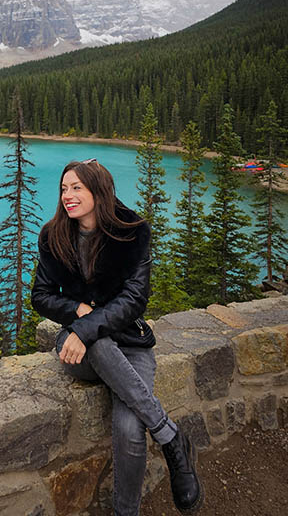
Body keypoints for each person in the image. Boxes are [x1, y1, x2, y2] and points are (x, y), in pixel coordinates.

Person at [31, 159, 203, 516]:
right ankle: (170, 436)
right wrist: (78, 313)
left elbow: (135, 299)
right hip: (79, 353)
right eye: (64, 188)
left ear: (99, 190)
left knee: (128, 427)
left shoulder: (133, 232)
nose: (68, 196)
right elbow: (41, 296)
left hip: (131, 342)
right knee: (98, 343)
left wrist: (86, 327)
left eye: (77, 187)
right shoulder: (53, 235)